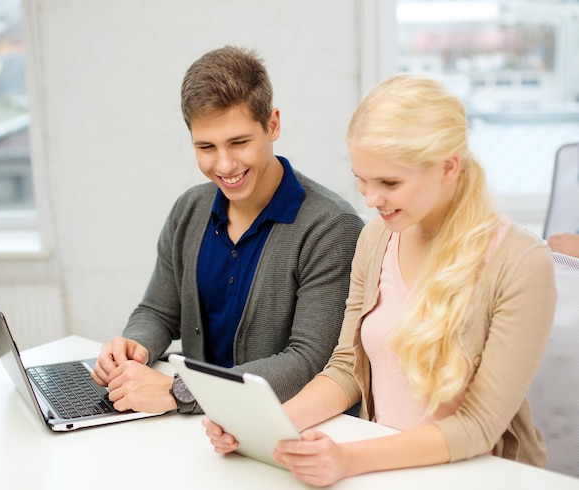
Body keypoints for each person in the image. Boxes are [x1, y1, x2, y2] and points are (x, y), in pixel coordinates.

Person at [204, 73, 557, 487]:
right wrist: (267, 427)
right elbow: (348, 368)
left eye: (389, 183)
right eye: (362, 179)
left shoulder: (521, 262)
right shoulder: (377, 237)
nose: (370, 199)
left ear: (448, 167)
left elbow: (478, 425)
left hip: (477, 475)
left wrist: (348, 459)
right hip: (384, 465)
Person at [91, 46, 364, 415]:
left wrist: (182, 391)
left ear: (273, 124)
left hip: (285, 430)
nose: (224, 164)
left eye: (239, 142)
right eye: (206, 147)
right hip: (203, 427)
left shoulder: (332, 228)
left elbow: (310, 361)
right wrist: (134, 346)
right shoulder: (189, 210)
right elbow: (157, 311)